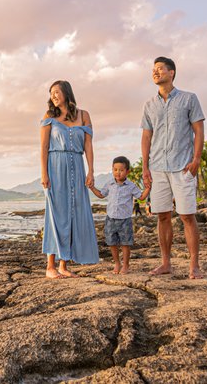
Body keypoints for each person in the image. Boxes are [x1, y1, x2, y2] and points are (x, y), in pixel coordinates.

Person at [141, 56, 206, 279]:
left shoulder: (189, 99)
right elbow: (146, 136)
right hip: (158, 167)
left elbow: (198, 130)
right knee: (162, 216)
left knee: (187, 216)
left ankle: (194, 266)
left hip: (183, 167)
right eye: (153, 70)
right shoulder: (149, 105)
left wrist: (196, 160)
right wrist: (145, 167)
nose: (155, 72)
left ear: (172, 73)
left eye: (160, 69)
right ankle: (166, 263)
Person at [40, 80, 99, 278]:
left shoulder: (84, 115)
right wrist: (44, 173)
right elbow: (43, 147)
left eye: (56, 92)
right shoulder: (49, 116)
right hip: (55, 166)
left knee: (74, 211)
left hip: (77, 165)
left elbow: (88, 146)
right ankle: (50, 266)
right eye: (51, 93)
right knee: (55, 213)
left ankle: (64, 265)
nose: (53, 96)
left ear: (67, 93)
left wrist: (91, 171)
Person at [88, 156, 150, 274]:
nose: (118, 172)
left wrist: (148, 188)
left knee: (125, 243)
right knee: (112, 243)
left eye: (121, 170)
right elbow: (101, 195)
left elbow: (141, 197)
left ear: (127, 171)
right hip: (110, 219)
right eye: (115, 169)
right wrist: (92, 188)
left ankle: (126, 265)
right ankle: (117, 263)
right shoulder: (110, 184)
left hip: (125, 220)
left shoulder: (131, 186)